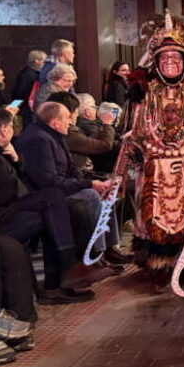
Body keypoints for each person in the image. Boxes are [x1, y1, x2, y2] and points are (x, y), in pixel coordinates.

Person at [121, 12, 184, 292]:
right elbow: (133, 133)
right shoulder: (146, 92)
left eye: (176, 58)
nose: (170, 63)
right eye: (164, 58)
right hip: (156, 165)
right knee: (157, 215)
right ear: (156, 62)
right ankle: (160, 266)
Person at [0, 104, 92, 305]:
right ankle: (66, 267)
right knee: (54, 202)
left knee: (53, 214)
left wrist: (14, 158)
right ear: (4, 130)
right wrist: (11, 159)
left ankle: (56, 284)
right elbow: (7, 191)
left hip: (5, 208)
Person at [17, 101, 125, 275]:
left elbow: (71, 170)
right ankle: (96, 255)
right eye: (68, 117)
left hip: (62, 187)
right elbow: (48, 181)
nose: (71, 122)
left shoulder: (55, 135)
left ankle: (108, 249)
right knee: (91, 196)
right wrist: (89, 184)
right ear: (55, 122)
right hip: (47, 196)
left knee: (107, 192)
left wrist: (94, 182)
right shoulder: (39, 140)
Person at [12, 50, 46, 127]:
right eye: (44, 60)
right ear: (36, 61)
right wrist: (14, 106)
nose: (45, 63)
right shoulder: (29, 74)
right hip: (27, 108)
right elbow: (20, 92)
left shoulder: (31, 72)